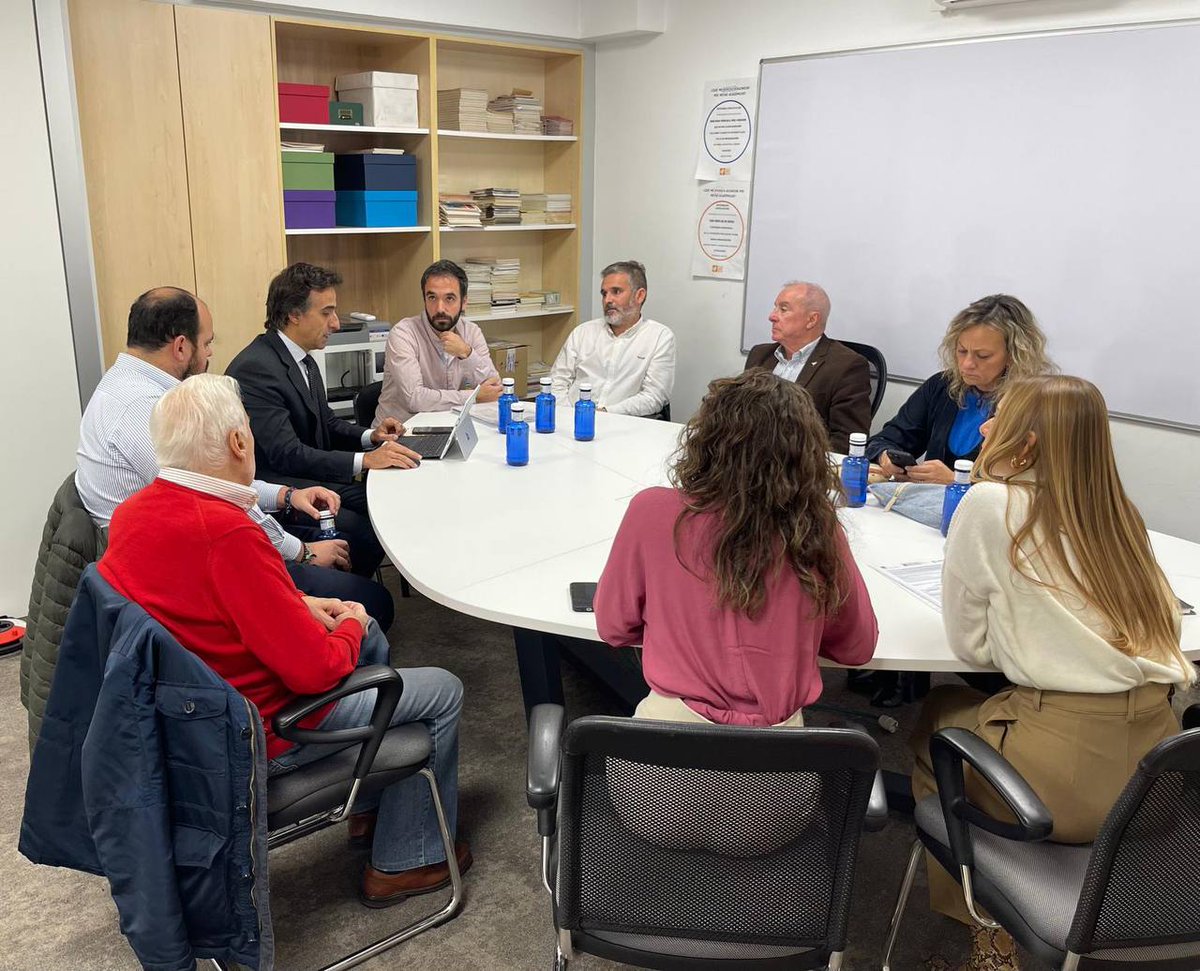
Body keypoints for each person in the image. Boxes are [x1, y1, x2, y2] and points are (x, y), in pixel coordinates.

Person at [98, 374, 471, 906]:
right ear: (237, 443)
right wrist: (348, 619)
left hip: (192, 717)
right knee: (440, 688)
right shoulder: (228, 532)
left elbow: (207, 602)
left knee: (368, 647)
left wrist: (300, 605)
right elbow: (314, 671)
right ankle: (409, 858)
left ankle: (371, 809)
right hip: (264, 728)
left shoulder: (133, 515)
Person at [910, 375, 1193, 971]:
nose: (985, 428)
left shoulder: (990, 503)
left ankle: (988, 935)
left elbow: (971, 646)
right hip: (1156, 775)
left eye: (1000, 419)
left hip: (1060, 780)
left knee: (936, 721)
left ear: (1028, 445)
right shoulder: (1120, 516)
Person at [75, 286, 394, 630]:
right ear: (181, 346)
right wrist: (302, 552)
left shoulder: (130, 385)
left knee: (356, 557)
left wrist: (285, 495)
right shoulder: (145, 409)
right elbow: (217, 498)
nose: (211, 354)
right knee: (372, 603)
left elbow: (214, 478)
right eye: (208, 343)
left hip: (191, 543)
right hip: (185, 571)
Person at [594, 369, 878, 725]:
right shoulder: (818, 529)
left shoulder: (652, 512)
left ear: (704, 441)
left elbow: (614, 626)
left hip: (662, 759)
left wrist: (675, 628)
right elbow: (857, 647)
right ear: (806, 453)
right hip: (782, 765)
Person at [227, 263, 421, 578]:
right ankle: (347, 598)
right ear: (293, 314)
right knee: (363, 526)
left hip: (311, 474)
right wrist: (365, 461)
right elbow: (286, 454)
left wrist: (371, 437)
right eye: (326, 313)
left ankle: (357, 588)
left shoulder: (301, 356)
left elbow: (327, 423)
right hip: (281, 485)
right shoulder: (258, 368)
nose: (334, 323)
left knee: (386, 500)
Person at [866, 294, 1053, 484]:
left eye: (983, 355)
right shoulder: (942, 386)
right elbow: (883, 440)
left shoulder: (1037, 405)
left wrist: (959, 481)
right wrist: (885, 457)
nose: (967, 364)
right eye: (962, 351)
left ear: (1014, 355)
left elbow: (1032, 488)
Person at [743, 281, 872, 453]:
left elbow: (846, 439)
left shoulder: (847, 366)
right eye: (775, 308)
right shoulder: (760, 355)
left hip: (800, 466)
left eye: (783, 309)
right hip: (747, 460)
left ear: (811, 320)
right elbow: (740, 414)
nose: (772, 316)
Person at [374, 260, 502, 425]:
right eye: (432, 297)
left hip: (450, 429)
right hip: (399, 435)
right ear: (424, 299)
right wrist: (474, 397)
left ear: (464, 302)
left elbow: (495, 388)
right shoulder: (403, 334)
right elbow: (415, 399)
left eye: (449, 298)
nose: (440, 308)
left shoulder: (471, 332)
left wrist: (466, 353)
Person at [549, 260, 675, 417]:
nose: (607, 300)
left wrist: (604, 414)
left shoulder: (659, 337)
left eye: (616, 292)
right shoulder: (583, 332)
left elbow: (654, 396)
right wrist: (571, 415)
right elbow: (557, 381)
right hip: (571, 419)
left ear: (639, 295)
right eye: (604, 293)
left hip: (623, 425)